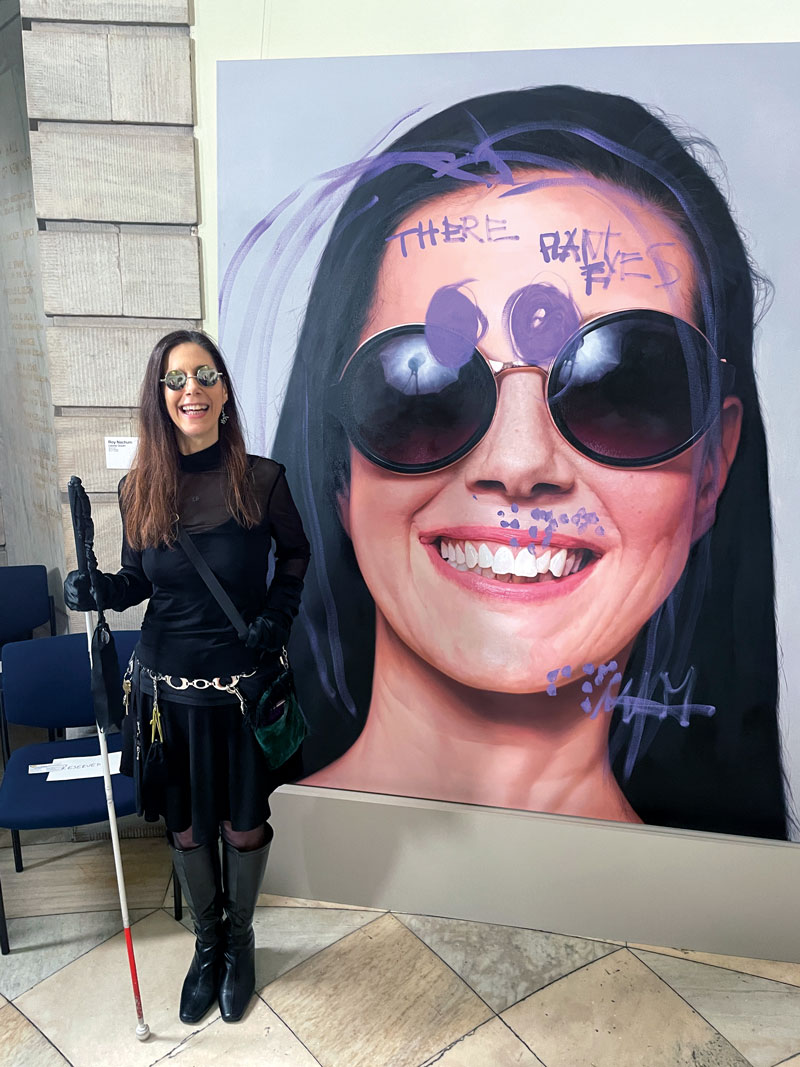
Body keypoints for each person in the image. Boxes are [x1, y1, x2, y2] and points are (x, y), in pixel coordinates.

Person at [246, 85, 788, 838]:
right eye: (425, 387)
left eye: (622, 383)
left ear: (712, 470)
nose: (519, 461)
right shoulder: (247, 856)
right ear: (339, 464)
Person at [63, 329, 310, 1024]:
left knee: (242, 824)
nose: (190, 389)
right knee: (190, 828)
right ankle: (208, 945)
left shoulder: (261, 480)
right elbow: (137, 580)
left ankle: (241, 937)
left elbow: (296, 555)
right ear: (160, 397)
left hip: (238, 692)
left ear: (224, 392)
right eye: (175, 380)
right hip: (166, 694)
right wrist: (96, 589)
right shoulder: (140, 487)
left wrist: (277, 617)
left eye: (204, 375)